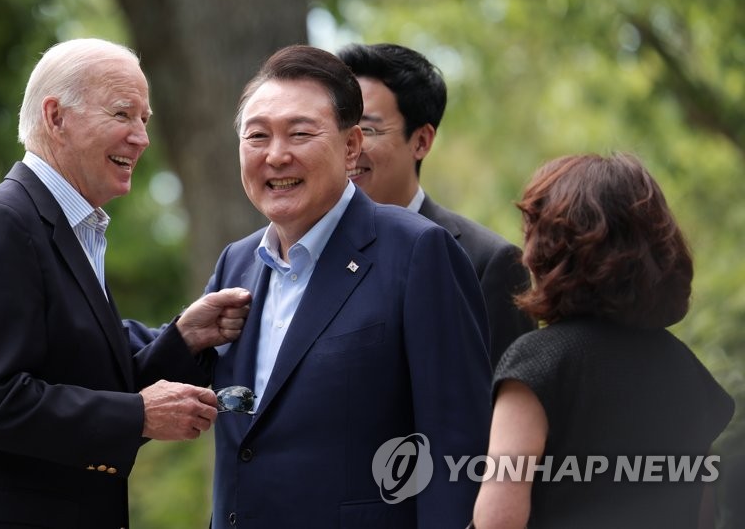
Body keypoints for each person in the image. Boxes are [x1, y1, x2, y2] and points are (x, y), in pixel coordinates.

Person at [0, 38, 251, 529]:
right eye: (123, 115)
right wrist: (137, 416)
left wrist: (184, 338)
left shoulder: (75, 232)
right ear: (55, 117)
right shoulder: (2, 224)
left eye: (145, 120)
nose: (141, 138)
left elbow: (92, 380)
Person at [206, 44, 492, 528]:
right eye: (257, 136)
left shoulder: (418, 250)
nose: (276, 155)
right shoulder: (236, 262)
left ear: (351, 146)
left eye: (300, 133)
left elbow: (455, 448)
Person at [471, 152, 735, 529]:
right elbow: (702, 518)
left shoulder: (538, 364)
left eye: (533, 233)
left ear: (556, 248)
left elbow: (499, 520)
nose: (526, 254)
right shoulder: (687, 369)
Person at [337, 42, 535, 366]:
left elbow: (505, 402)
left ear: (421, 141)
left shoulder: (485, 262)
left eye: (368, 129)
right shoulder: (300, 250)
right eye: (341, 128)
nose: (350, 147)